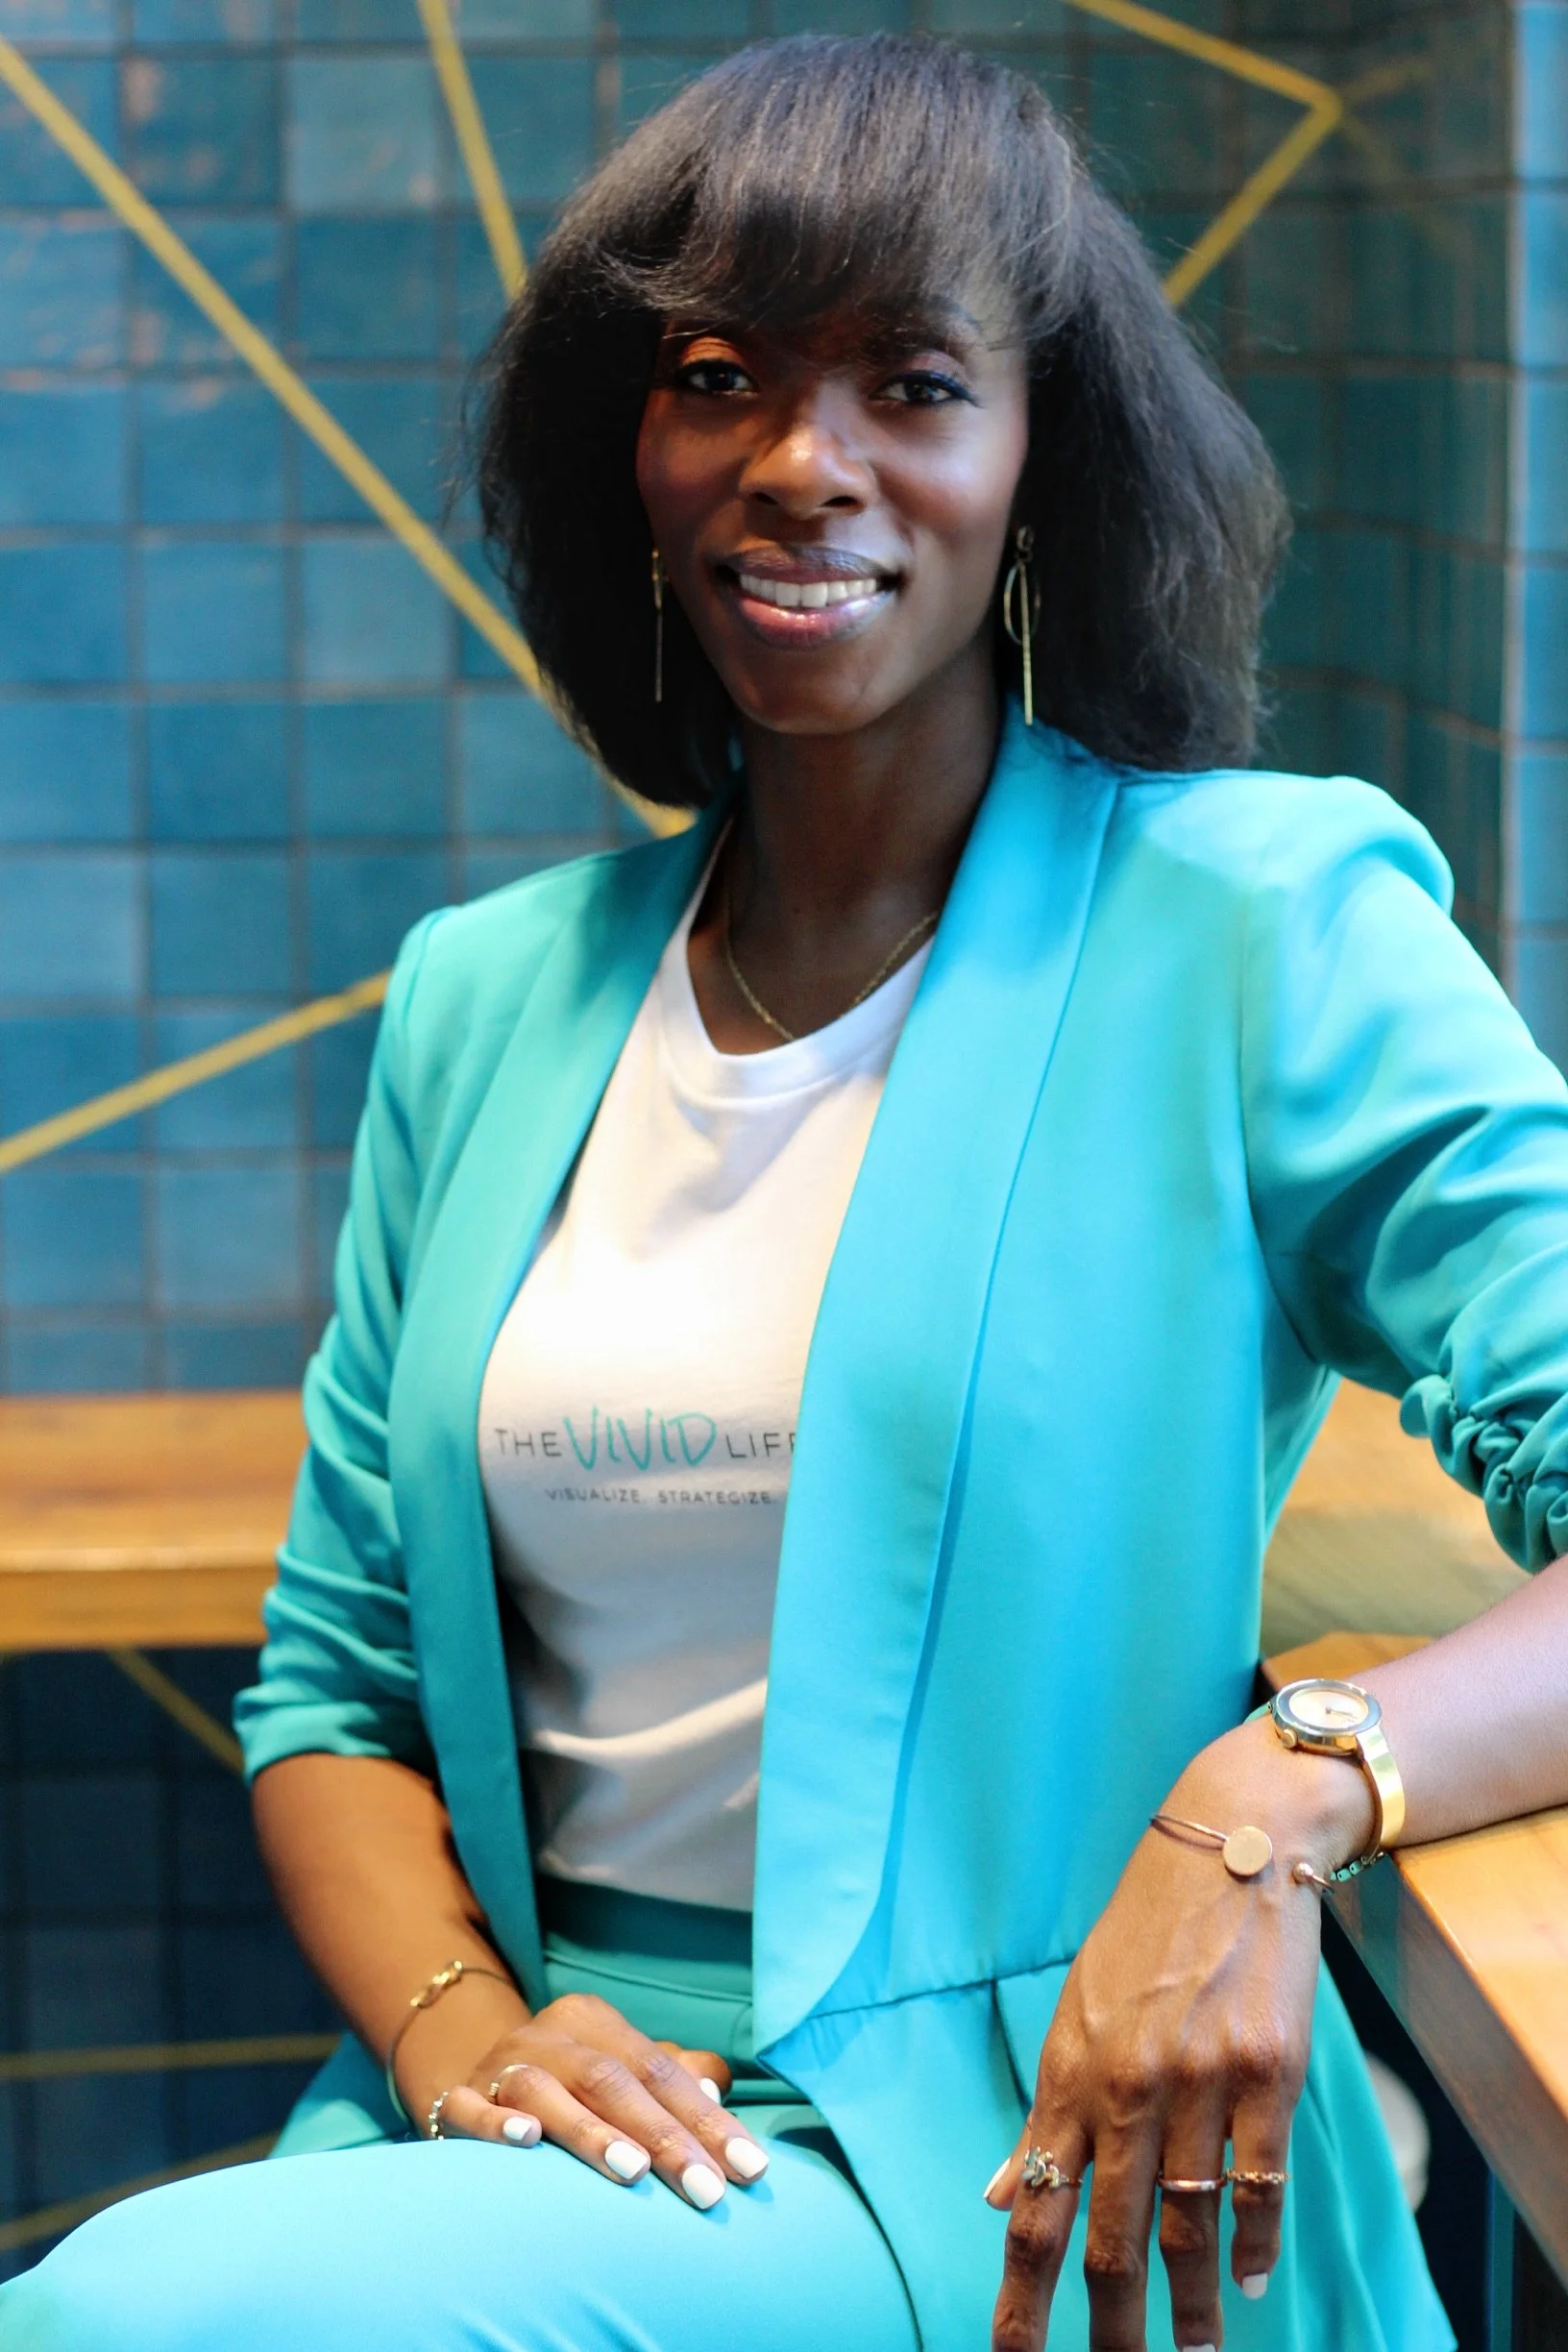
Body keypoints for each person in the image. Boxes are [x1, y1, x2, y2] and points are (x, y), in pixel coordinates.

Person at [8, 32, 1568, 2352]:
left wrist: (1278, 1794)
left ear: (1040, 461)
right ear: (625, 453)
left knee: (124, 2321)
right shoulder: (486, 1000)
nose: (802, 466)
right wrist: (460, 2038)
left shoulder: (1259, 926)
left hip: (1024, 2138)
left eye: (914, 382)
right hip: (538, 2104)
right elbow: (332, 1692)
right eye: (719, 377)